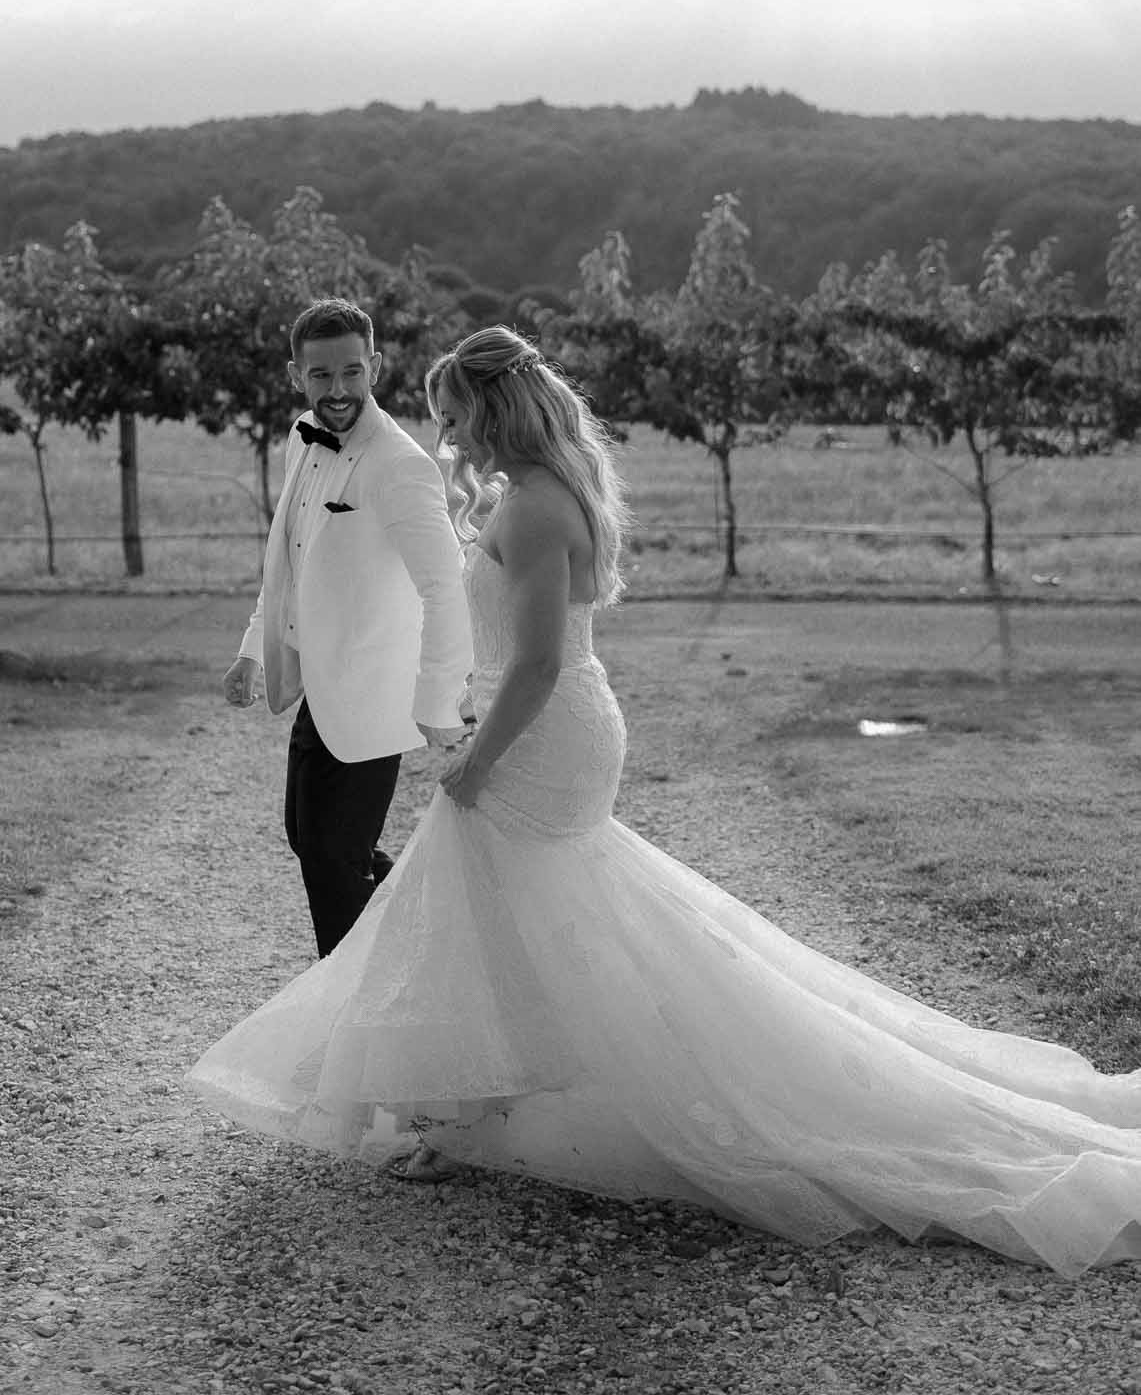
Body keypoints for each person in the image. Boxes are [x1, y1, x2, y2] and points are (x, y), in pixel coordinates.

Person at [190, 327, 1141, 1275]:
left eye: (453, 420)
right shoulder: (535, 495)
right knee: (511, 909)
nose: (446, 438)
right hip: (568, 724)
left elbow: (534, 662)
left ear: (488, 412)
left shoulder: (529, 511)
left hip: (542, 730)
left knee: (483, 902)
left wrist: (477, 760)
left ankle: (462, 1114)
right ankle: (468, 1108)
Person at [220, 297, 473, 957]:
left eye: (351, 373)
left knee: (333, 858)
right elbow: (291, 559)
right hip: (318, 688)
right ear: (296, 374)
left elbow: (445, 589)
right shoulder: (300, 437)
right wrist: (255, 646)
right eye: (321, 375)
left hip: (371, 694)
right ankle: (428, 942)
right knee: (310, 839)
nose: (337, 391)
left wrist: (441, 702)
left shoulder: (401, 465)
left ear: (377, 367)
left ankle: (349, 1008)